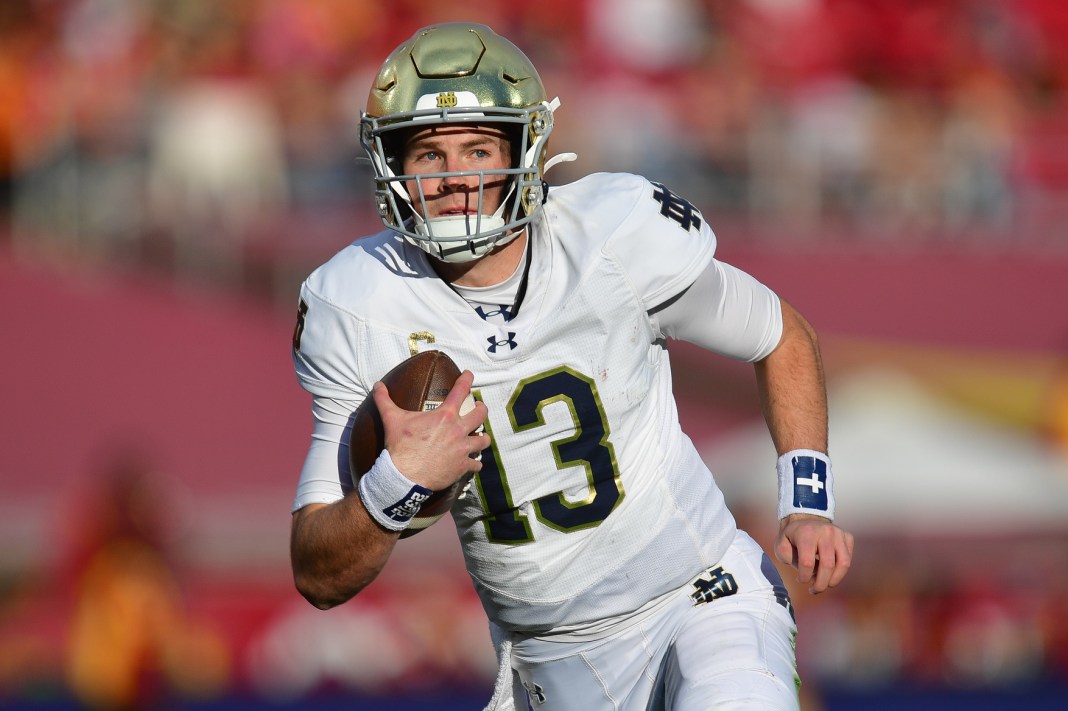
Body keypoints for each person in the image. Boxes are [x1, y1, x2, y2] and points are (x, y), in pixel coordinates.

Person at [289, 22, 854, 710]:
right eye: (429, 155)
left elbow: (781, 334)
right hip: (547, 658)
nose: (456, 178)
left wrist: (807, 501)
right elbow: (318, 571)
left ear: (526, 148)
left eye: (477, 148)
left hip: (697, 595)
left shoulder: (612, 236)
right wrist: (394, 486)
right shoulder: (357, 302)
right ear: (391, 167)